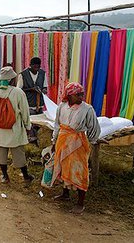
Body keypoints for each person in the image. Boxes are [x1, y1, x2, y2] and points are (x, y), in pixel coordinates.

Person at [51, 82, 100, 214]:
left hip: (78, 143)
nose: (81, 97)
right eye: (78, 94)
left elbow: (93, 126)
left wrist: (93, 140)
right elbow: (57, 124)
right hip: (63, 140)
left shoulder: (87, 109)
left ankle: (80, 202)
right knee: (63, 167)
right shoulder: (62, 107)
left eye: (82, 94)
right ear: (69, 95)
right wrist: (54, 141)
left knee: (79, 171)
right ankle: (65, 194)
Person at [0, 66, 34, 184]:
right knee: (18, 152)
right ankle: (25, 176)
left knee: (1, 152)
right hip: (14, 128)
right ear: (11, 80)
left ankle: (5, 176)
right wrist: (28, 127)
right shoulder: (18, 92)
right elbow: (25, 111)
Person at [17, 57, 48, 143]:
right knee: (30, 122)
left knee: (39, 123)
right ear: (30, 66)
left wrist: (44, 90)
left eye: (38, 67)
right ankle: (31, 139)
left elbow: (45, 86)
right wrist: (31, 89)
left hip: (40, 103)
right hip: (29, 103)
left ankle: (37, 139)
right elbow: (19, 90)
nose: (36, 69)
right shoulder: (22, 75)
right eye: (35, 67)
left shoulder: (42, 73)